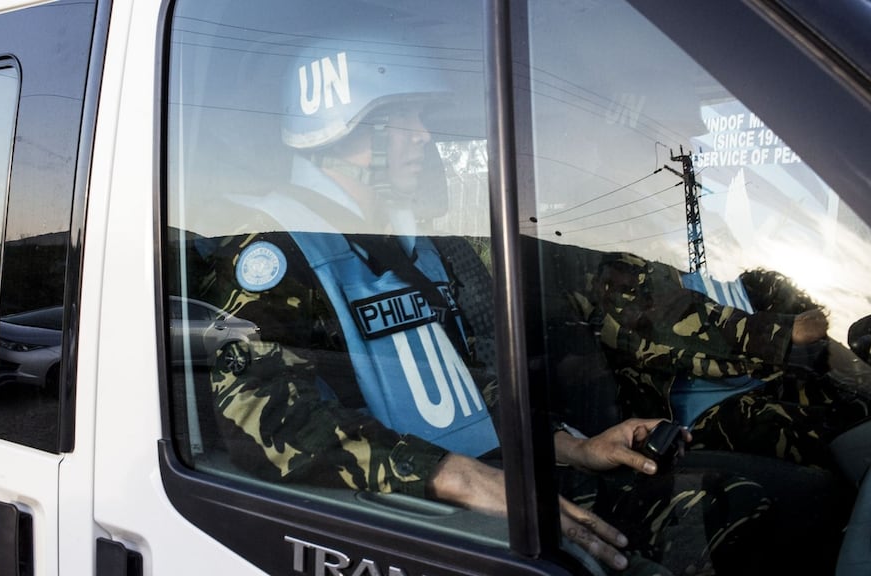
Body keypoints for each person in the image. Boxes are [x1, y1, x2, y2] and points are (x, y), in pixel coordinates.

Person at [193, 42, 776, 574]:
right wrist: (467, 480)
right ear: (340, 133)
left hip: (486, 490)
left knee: (737, 506)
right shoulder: (274, 251)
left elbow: (464, 395)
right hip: (411, 520)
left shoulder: (408, 248)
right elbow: (270, 426)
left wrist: (578, 446)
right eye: (403, 120)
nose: (424, 137)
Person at [569, 251, 871, 467]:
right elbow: (668, 322)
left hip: (764, 386)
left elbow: (822, 341)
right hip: (697, 422)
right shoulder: (624, 273)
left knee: (852, 416)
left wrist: (857, 371)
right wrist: (786, 331)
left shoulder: (757, 290)